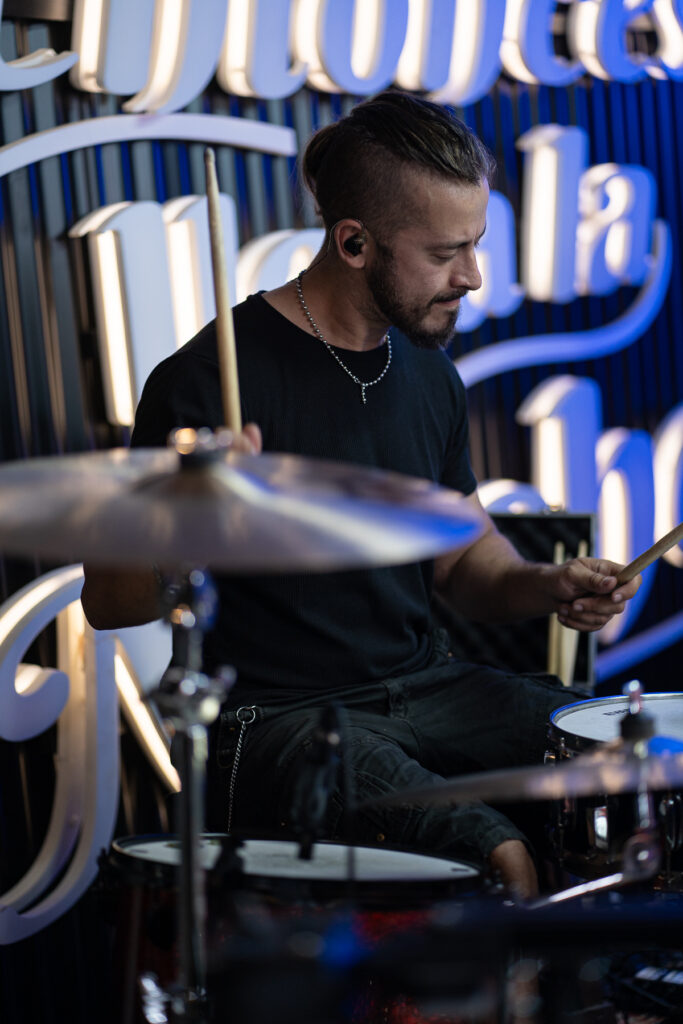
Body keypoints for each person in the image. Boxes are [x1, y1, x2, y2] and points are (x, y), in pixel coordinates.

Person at [81, 90, 640, 900]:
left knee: (612, 758)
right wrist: (197, 519)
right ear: (352, 242)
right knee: (492, 847)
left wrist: (542, 586)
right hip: (273, 720)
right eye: (447, 253)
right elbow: (111, 600)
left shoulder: (427, 374)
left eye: (476, 245)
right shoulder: (209, 382)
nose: (472, 276)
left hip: (424, 688)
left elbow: (464, 566)